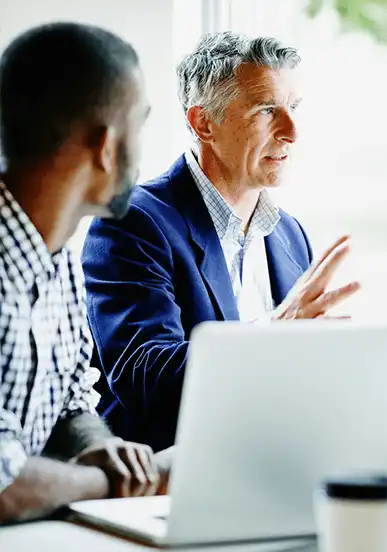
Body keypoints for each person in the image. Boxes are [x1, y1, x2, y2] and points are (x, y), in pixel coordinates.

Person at [82, 32, 360, 453]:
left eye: (295, 108)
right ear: (203, 123)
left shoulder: (290, 235)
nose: (292, 132)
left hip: (272, 467)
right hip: (165, 484)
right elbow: (146, 380)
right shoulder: (133, 223)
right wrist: (273, 334)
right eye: (268, 110)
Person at [0, 22, 171, 524]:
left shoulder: (61, 261)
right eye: (139, 126)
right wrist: (126, 482)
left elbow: (71, 399)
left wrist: (105, 449)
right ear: (105, 146)